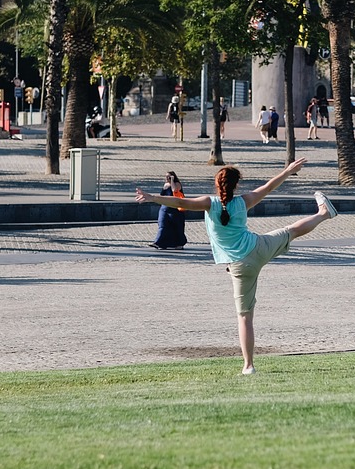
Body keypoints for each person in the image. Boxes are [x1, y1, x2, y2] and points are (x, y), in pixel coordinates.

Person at [135, 159, 338, 375]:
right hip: (258, 248)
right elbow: (268, 187)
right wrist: (287, 171)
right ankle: (324, 213)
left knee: (245, 317)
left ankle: (249, 365)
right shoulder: (243, 201)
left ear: (217, 184)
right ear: (236, 185)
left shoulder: (209, 203)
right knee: (291, 231)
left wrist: (153, 197)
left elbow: (181, 205)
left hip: (241, 267)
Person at [150, 172, 188, 250]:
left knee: (177, 227)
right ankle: (159, 243)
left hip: (175, 209)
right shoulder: (165, 185)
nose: (167, 178)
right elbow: (161, 195)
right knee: (162, 225)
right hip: (165, 208)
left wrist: (172, 181)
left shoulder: (177, 184)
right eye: (166, 177)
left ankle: (179, 243)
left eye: (169, 177)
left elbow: (174, 190)